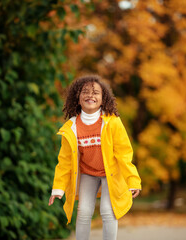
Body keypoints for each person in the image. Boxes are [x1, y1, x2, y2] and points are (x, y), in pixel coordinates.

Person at [48, 75, 142, 240]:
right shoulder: (71, 128)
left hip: (110, 174)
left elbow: (124, 153)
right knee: (83, 211)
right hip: (88, 173)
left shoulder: (112, 122)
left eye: (95, 93)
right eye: (85, 92)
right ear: (77, 98)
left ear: (103, 99)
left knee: (108, 209)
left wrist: (133, 180)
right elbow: (64, 162)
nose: (90, 95)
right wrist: (58, 188)